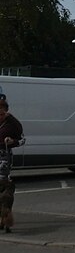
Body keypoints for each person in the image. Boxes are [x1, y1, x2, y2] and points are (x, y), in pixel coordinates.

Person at [0, 94, 23, 233]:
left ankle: (6, 217)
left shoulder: (12, 124)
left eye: (2, 111)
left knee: (4, 187)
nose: (0, 114)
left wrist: (11, 141)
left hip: (3, 157)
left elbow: (20, 138)